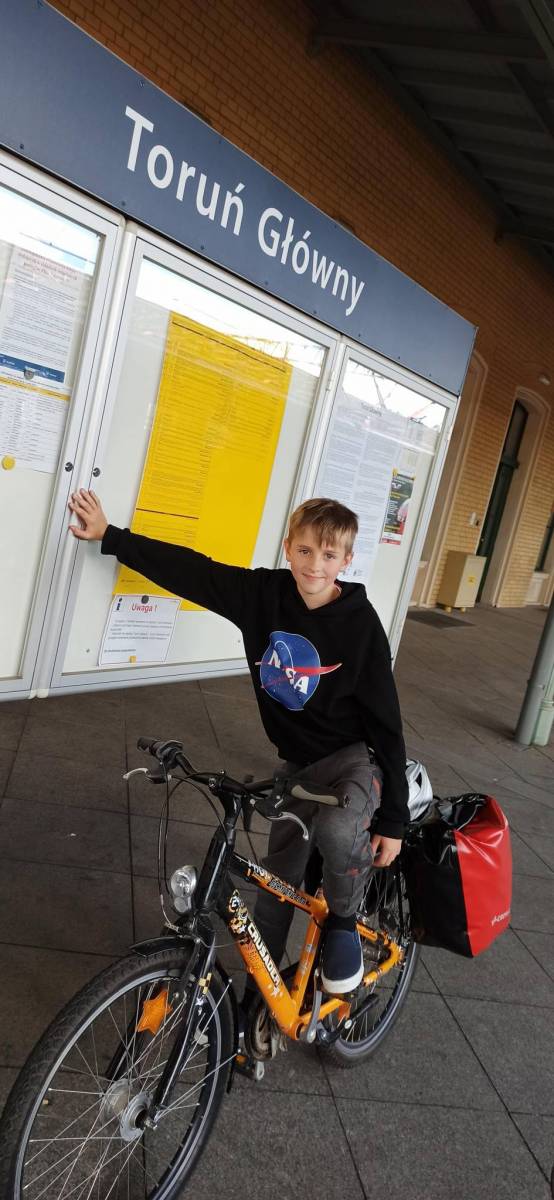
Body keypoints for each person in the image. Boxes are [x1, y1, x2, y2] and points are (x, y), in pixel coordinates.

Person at [68, 490, 409, 995]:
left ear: (346, 560)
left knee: (340, 832)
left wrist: (393, 820)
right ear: (288, 548)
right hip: (297, 765)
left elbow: (386, 722)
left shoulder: (360, 626)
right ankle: (257, 1005)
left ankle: (342, 921)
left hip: (351, 760)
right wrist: (111, 536)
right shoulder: (263, 596)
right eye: (305, 550)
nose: (315, 565)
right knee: (276, 887)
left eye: (329, 555)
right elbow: (195, 572)